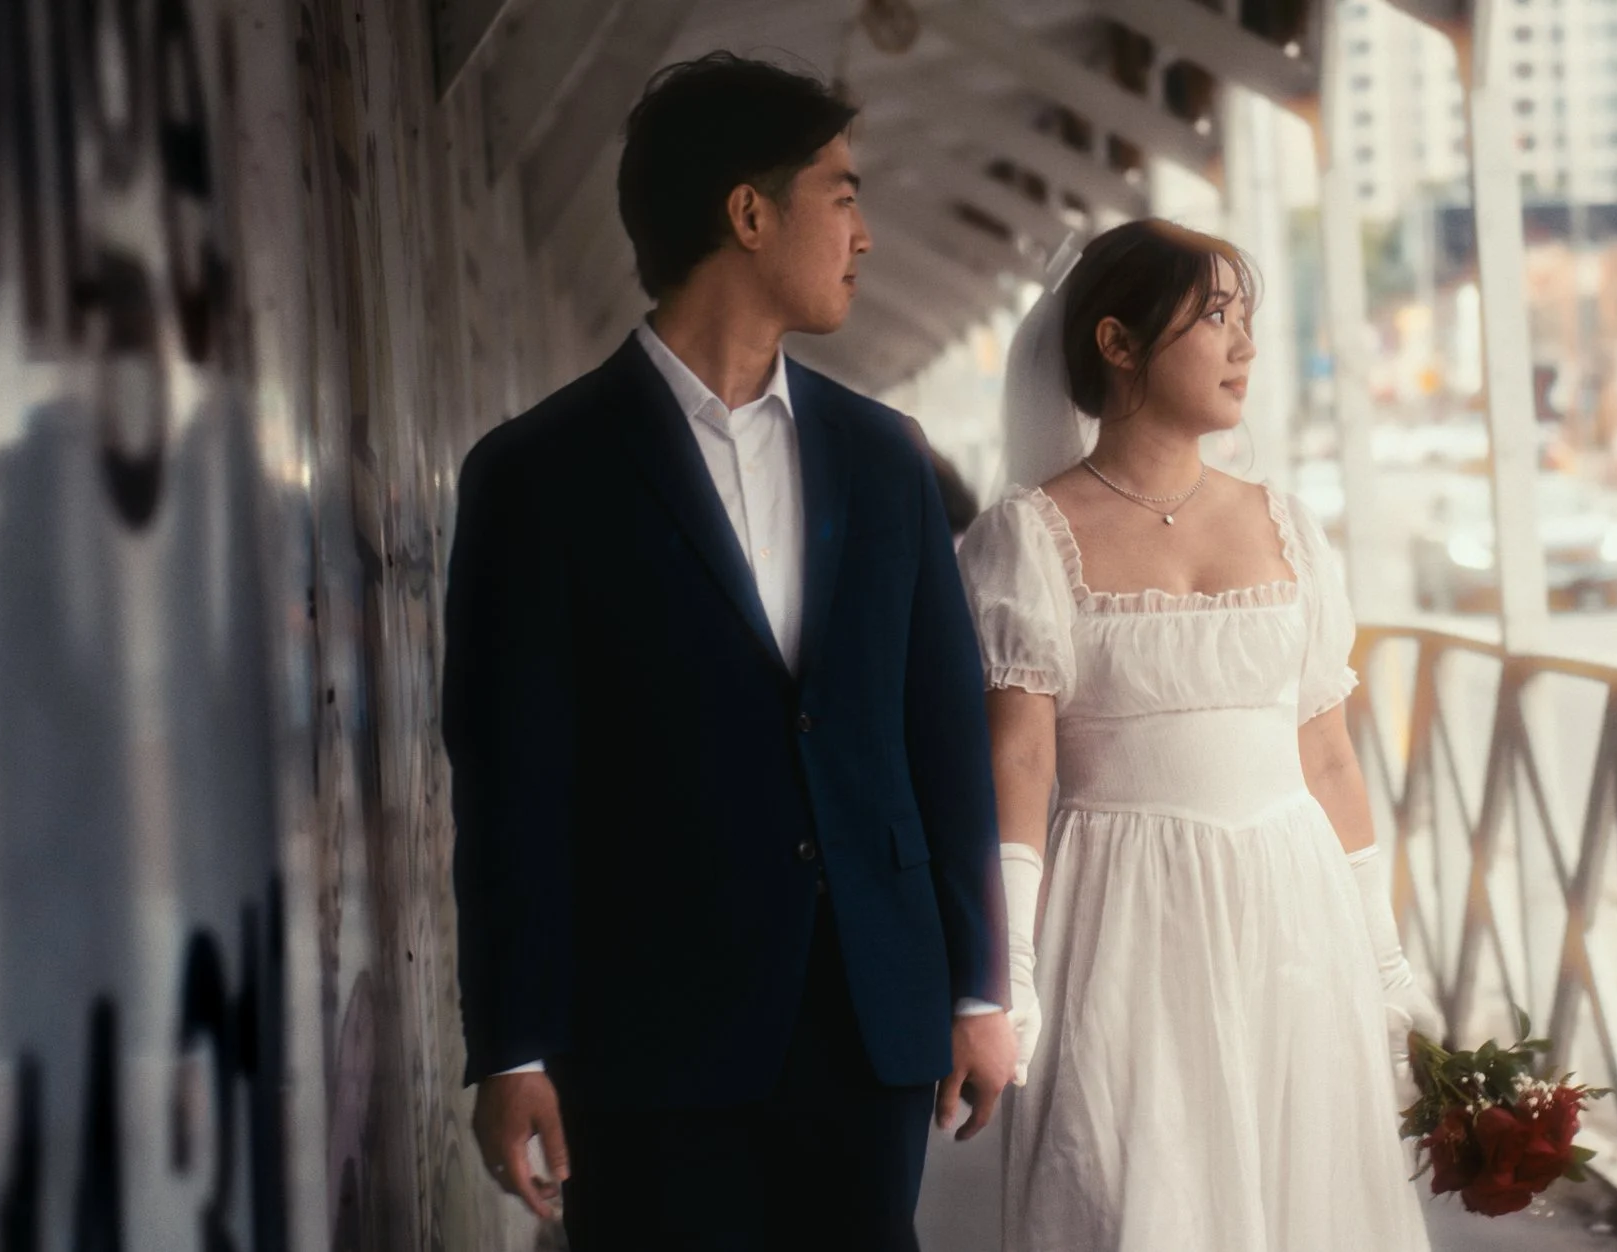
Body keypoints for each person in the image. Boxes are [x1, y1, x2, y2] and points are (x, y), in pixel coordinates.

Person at [443, 54, 1013, 1250]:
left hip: (870, 1019)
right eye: (843, 193)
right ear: (748, 213)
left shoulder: (885, 458)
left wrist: (975, 988)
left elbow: (944, 736)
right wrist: (511, 1043)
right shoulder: (538, 474)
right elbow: (511, 783)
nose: (865, 235)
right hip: (649, 1035)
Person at [960, 219, 1442, 1251]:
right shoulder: (1029, 533)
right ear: (1118, 342)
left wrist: (1387, 965)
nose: (1245, 346)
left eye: (1247, 319)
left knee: (1300, 1192)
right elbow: (1020, 757)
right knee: (1136, 1189)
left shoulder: (1288, 524)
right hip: (1123, 918)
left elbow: (1326, 756)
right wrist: (1013, 971)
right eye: (1215, 315)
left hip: (1290, 906)